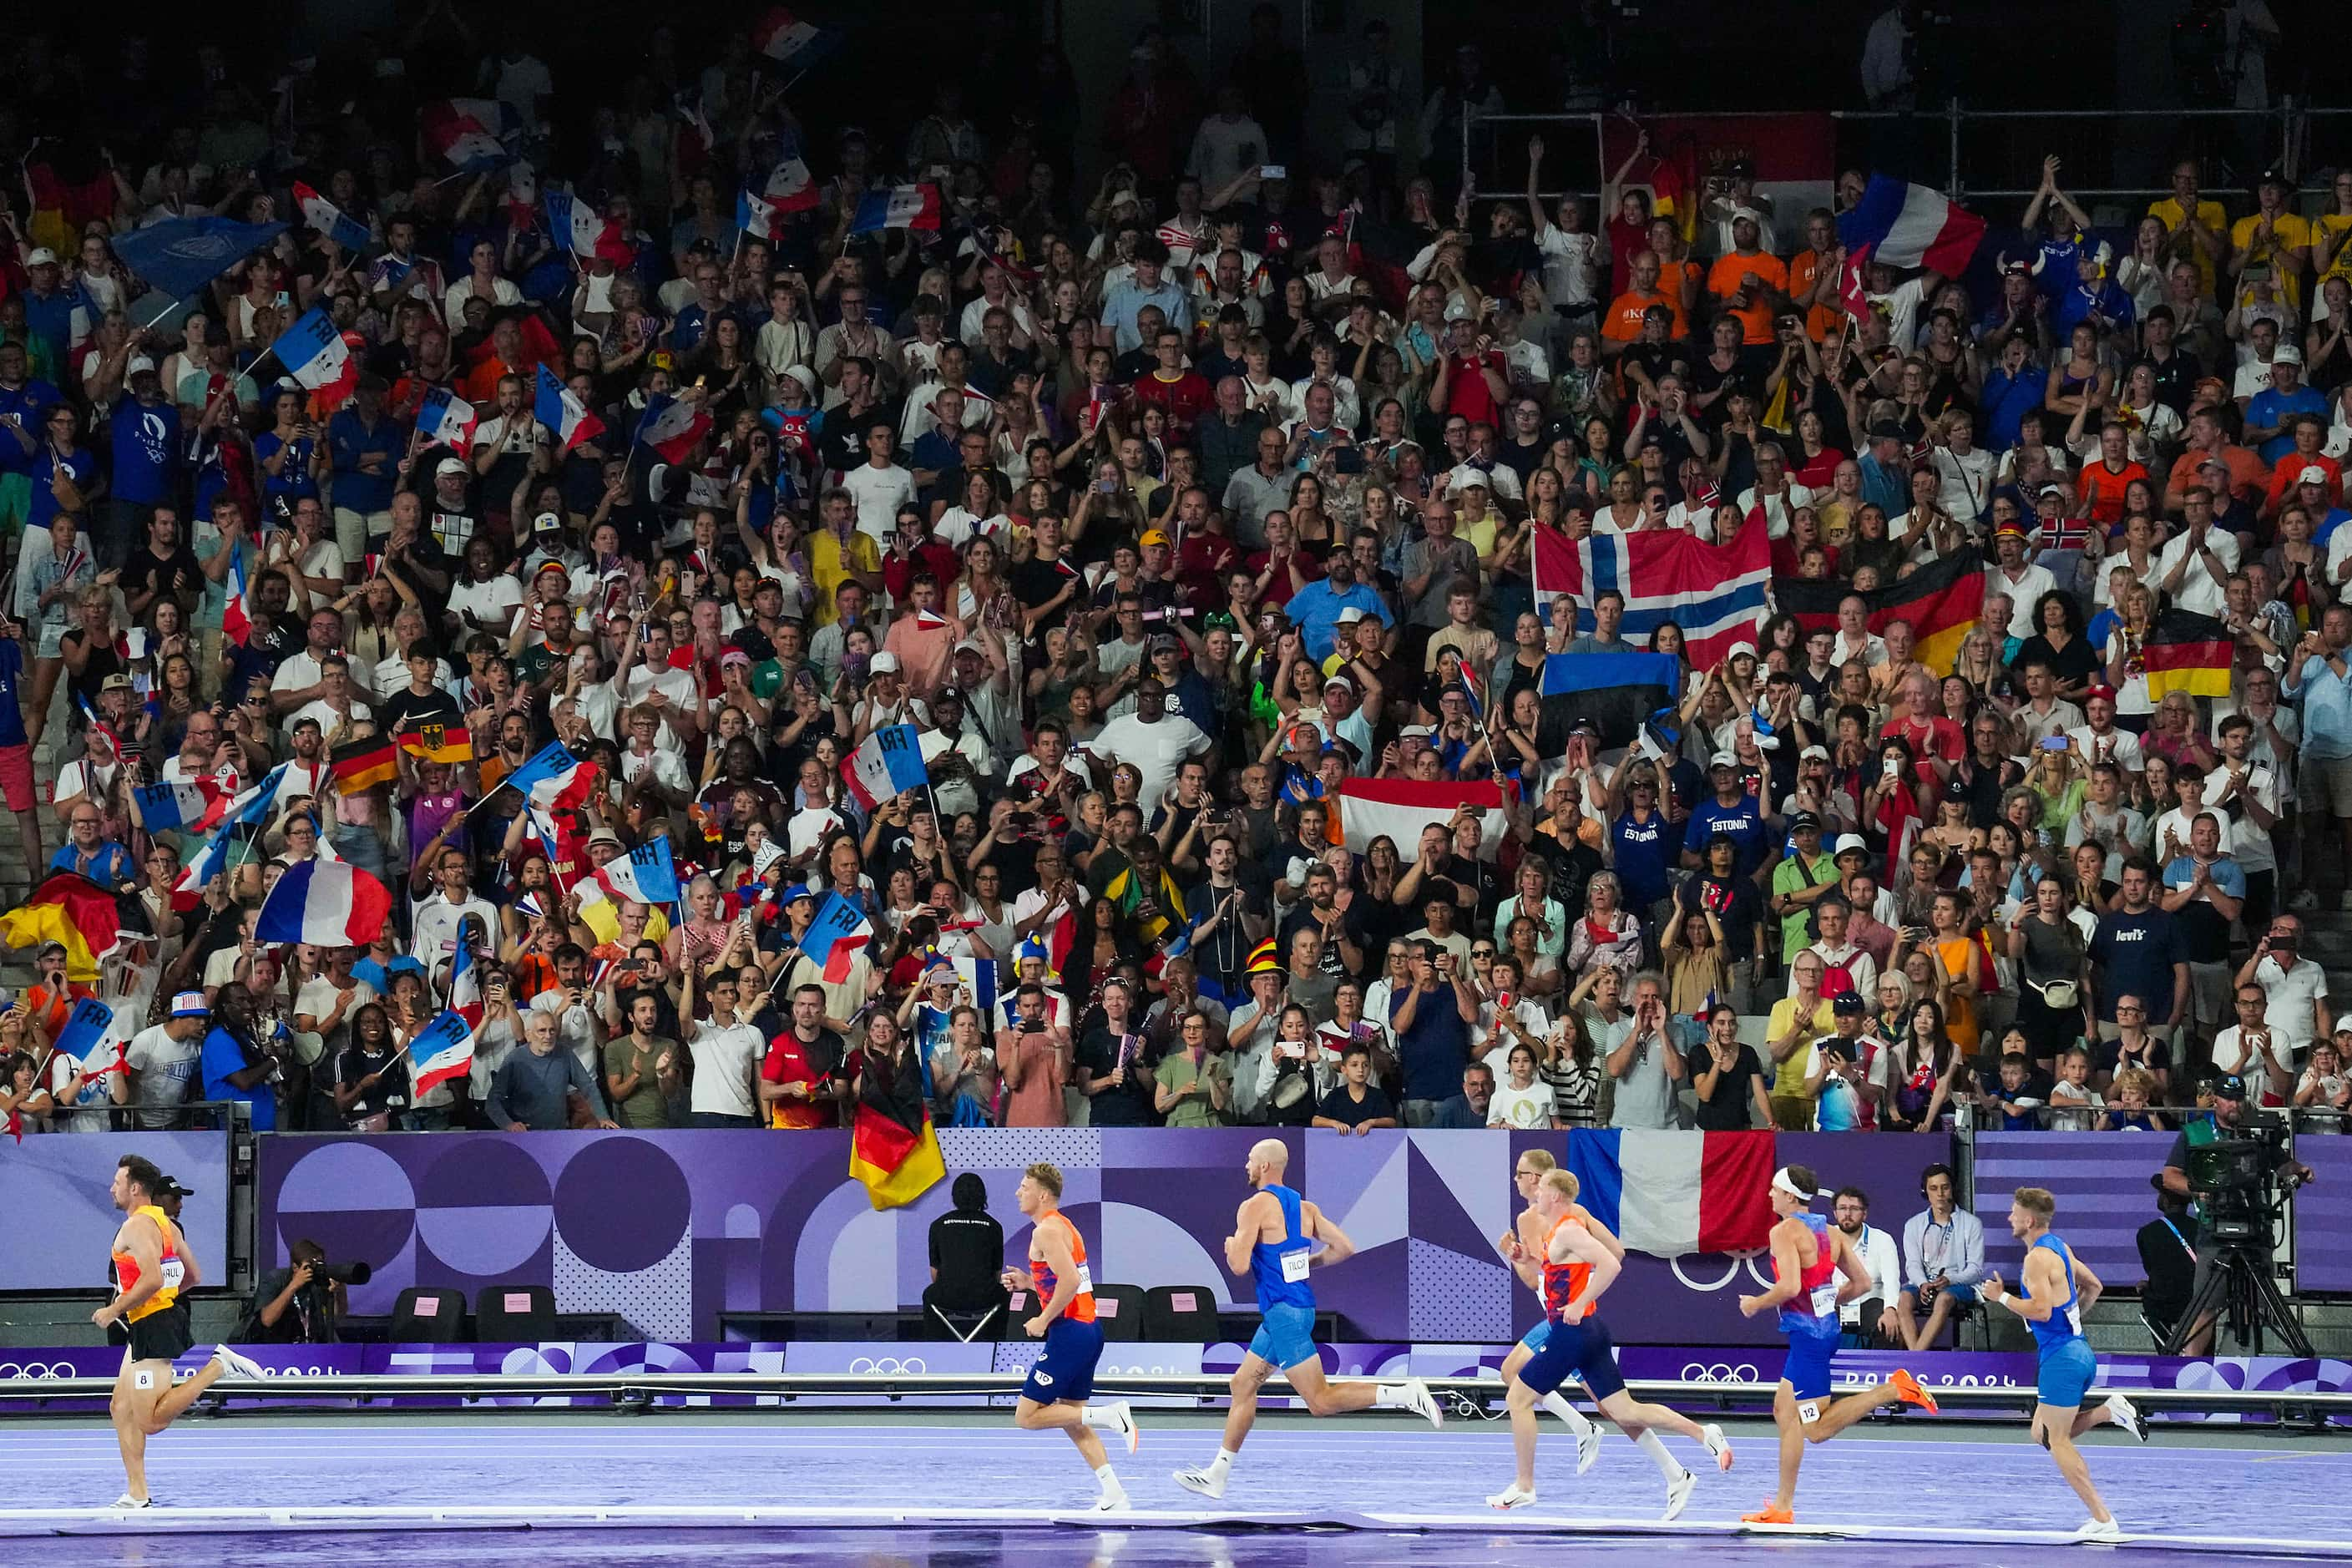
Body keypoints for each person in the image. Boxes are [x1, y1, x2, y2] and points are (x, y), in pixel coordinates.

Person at [1173, 1138, 1440, 1499]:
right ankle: (1217, 1475)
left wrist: (1231, 1247)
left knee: (1320, 1401)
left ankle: (1403, 1392)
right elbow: (1346, 1247)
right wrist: (1305, 1265)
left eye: (1250, 1160)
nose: (1246, 1166)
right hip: (1290, 1311)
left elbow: (1237, 1267)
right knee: (1242, 1385)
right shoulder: (1305, 1208)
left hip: (1284, 1315)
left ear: (1266, 1166)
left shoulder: (1253, 1207)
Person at [1488, 1166, 1733, 1519]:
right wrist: (1527, 1259)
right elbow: (1557, 1268)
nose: (1535, 1195)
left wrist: (1579, 1301)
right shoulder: (1558, 1233)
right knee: (1625, 1411)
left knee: (1518, 1397)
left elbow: (1610, 1263)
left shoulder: (1570, 1228)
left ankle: (1525, 1485)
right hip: (1588, 1332)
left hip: (1574, 1332)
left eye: (1541, 1189)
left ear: (1555, 1197)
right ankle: (1702, 1435)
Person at [1737, 1164, 1939, 1526]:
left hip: (1808, 1340)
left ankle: (1893, 1389)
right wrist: (1827, 1303)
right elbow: (1860, 1284)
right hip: (1821, 1331)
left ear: (1788, 1195)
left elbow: (1789, 1288)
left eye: (1773, 1190)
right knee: (1785, 1412)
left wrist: (1754, 1303)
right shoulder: (1830, 1232)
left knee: (1814, 1429)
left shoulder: (1784, 1232)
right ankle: (1782, 1505)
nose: (1769, 1195)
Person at [95, 1154, 267, 1507]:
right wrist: (159, 1299)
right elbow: (192, 1277)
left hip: (154, 1327)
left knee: (151, 1421)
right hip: (152, 1321)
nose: (112, 1188)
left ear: (135, 1188)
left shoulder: (136, 1226)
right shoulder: (166, 1223)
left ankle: (219, 1365)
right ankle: (137, 1493)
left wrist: (114, 1309)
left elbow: (154, 1277)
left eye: (118, 1182)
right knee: (120, 1407)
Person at [1978, 1186, 2146, 1541]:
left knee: (2057, 1441)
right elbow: (2094, 1286)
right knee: (2041, 1433)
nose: (2009, 1218)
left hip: (2062, 1359)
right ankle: (2107, 1412)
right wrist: (2071, 1326)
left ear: (2029, 1220)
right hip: (2078, 1351)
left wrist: (2001, 1297)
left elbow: (2041, 1310)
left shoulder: (2036, 1259)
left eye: (2013, 1212)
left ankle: (2103, 1519)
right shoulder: (2062, 1248)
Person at [997, 1161, 1138, 1508]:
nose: (1018, 1192)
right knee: (1073, 1419)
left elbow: (1071, 1282)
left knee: (1027, 1416)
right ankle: (1114, 1494)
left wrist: (1042, 1319)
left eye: (1024, 1186)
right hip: (1088, 1331)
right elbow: (1072, 1281)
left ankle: (1110, 1415)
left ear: (1042, 1194)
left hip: (1071, 1331)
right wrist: (1029, 1283)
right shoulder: (1066, 1227)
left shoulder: (1045, 1230)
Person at [1491, 1147, 1606, 1469]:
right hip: (1565, 1316)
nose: (1516, 1179)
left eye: (1520, 1173)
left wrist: (1513, 1254)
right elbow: (1611, 1252)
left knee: (1617, 1408)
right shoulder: (1576, 1211)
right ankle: (1585, 1428)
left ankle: (1691, 1447)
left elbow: (1533, 1278)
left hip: (1567, 1320)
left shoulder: (1530, 1218)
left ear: (1537, 1179)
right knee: (1615, 1406)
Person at [1893, 1162, 1987, 1351]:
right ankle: (1917, 1357)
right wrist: (1922, 1283)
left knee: (1944, 1299)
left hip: (1959, 1284)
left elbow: (1975, 1270)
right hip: (1923, 1283)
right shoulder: (1913, 1224)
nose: (1940, 1194)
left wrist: (1950, 1279)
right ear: (1925, 1192)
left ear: (1953, 1189)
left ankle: (1915, 1359)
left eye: (1945, 1187)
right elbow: (1912, 1264)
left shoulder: (1972, 1224)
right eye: (1933, 1189)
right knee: (1903, 1299)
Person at [924, 1171, 1008, 1338]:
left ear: (954, 1196)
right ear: (982, 1196)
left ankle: (934, 1346)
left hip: (946, 1296)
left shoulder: (938, 1225)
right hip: (985, 1297)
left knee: (929, 1295)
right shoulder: (994, 1226)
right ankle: (996, 1345)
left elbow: (935, 1274)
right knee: (1004, 1295)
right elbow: (996, 1274)